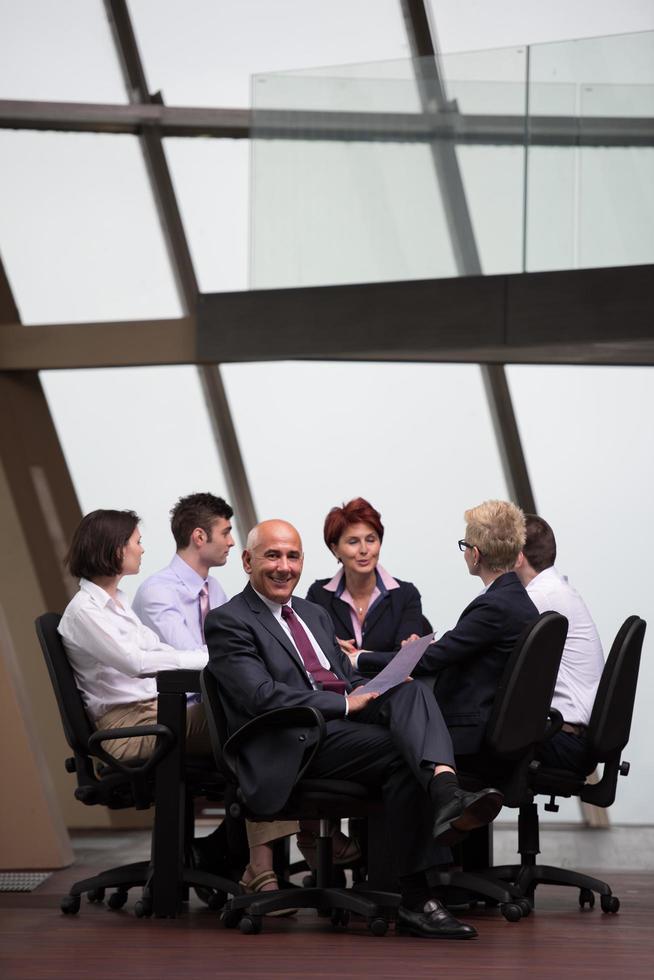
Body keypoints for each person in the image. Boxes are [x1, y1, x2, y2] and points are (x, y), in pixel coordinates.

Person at [205, 519, 505, 940]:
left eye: (292, 556)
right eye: (272, 555)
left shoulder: (313, 614)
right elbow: (261, 697)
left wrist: (371, 689)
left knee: (411, 690)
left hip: (339, 726)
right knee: (403, 754)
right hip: (290, 739)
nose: (283, 566)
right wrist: (346, 702)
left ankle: (444, 794)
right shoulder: (229, 620)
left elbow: (340, 676)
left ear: (303, 561)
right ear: (247, 561)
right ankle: (416, 894)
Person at [131, 492, 298, 902]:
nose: (230, 542)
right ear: (200, 536)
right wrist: (252, 663)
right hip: (172, 713)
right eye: (225, 533)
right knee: (263, 727)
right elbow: (202, 661)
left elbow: (239, 649)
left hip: (211, 710)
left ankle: (232, 856)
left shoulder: (215, 587)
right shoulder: (159, 592)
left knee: (274, 718)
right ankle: (268, 861)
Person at [354, 500, 539, 757]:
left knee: (376, 744)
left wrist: (358, 659)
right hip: (493, 726)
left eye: (464, 546)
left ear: (475, 554)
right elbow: (454, 649)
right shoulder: (517, 600)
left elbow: (432, 659)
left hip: (465, 730)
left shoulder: (494, 607)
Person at [515, 514, 604, 775]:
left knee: (463, 733)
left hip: (562, 739)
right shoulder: (557, 589)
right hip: (574, 737)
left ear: (518, 556)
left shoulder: (537, 597)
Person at [306, 497, 426, 664]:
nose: (364, 550)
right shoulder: (318, 595)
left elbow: (404, 661)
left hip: (395, 688)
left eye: (371, 540)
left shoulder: (406, 594)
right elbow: (313, 654)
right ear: (335, 549)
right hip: (341, 689)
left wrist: (354, 658)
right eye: (353, 542)